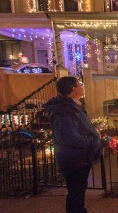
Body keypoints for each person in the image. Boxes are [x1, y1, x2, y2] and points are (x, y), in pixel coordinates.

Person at [44, 76, 102, 213]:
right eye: (80, 84)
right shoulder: (65, 110)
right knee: (76, 194)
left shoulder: (72, 106)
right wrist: (93, 141)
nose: (82, 86)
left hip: (78, 158)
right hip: (74, 160)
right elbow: (69, 137)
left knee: (77, 192)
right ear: (73, 89)